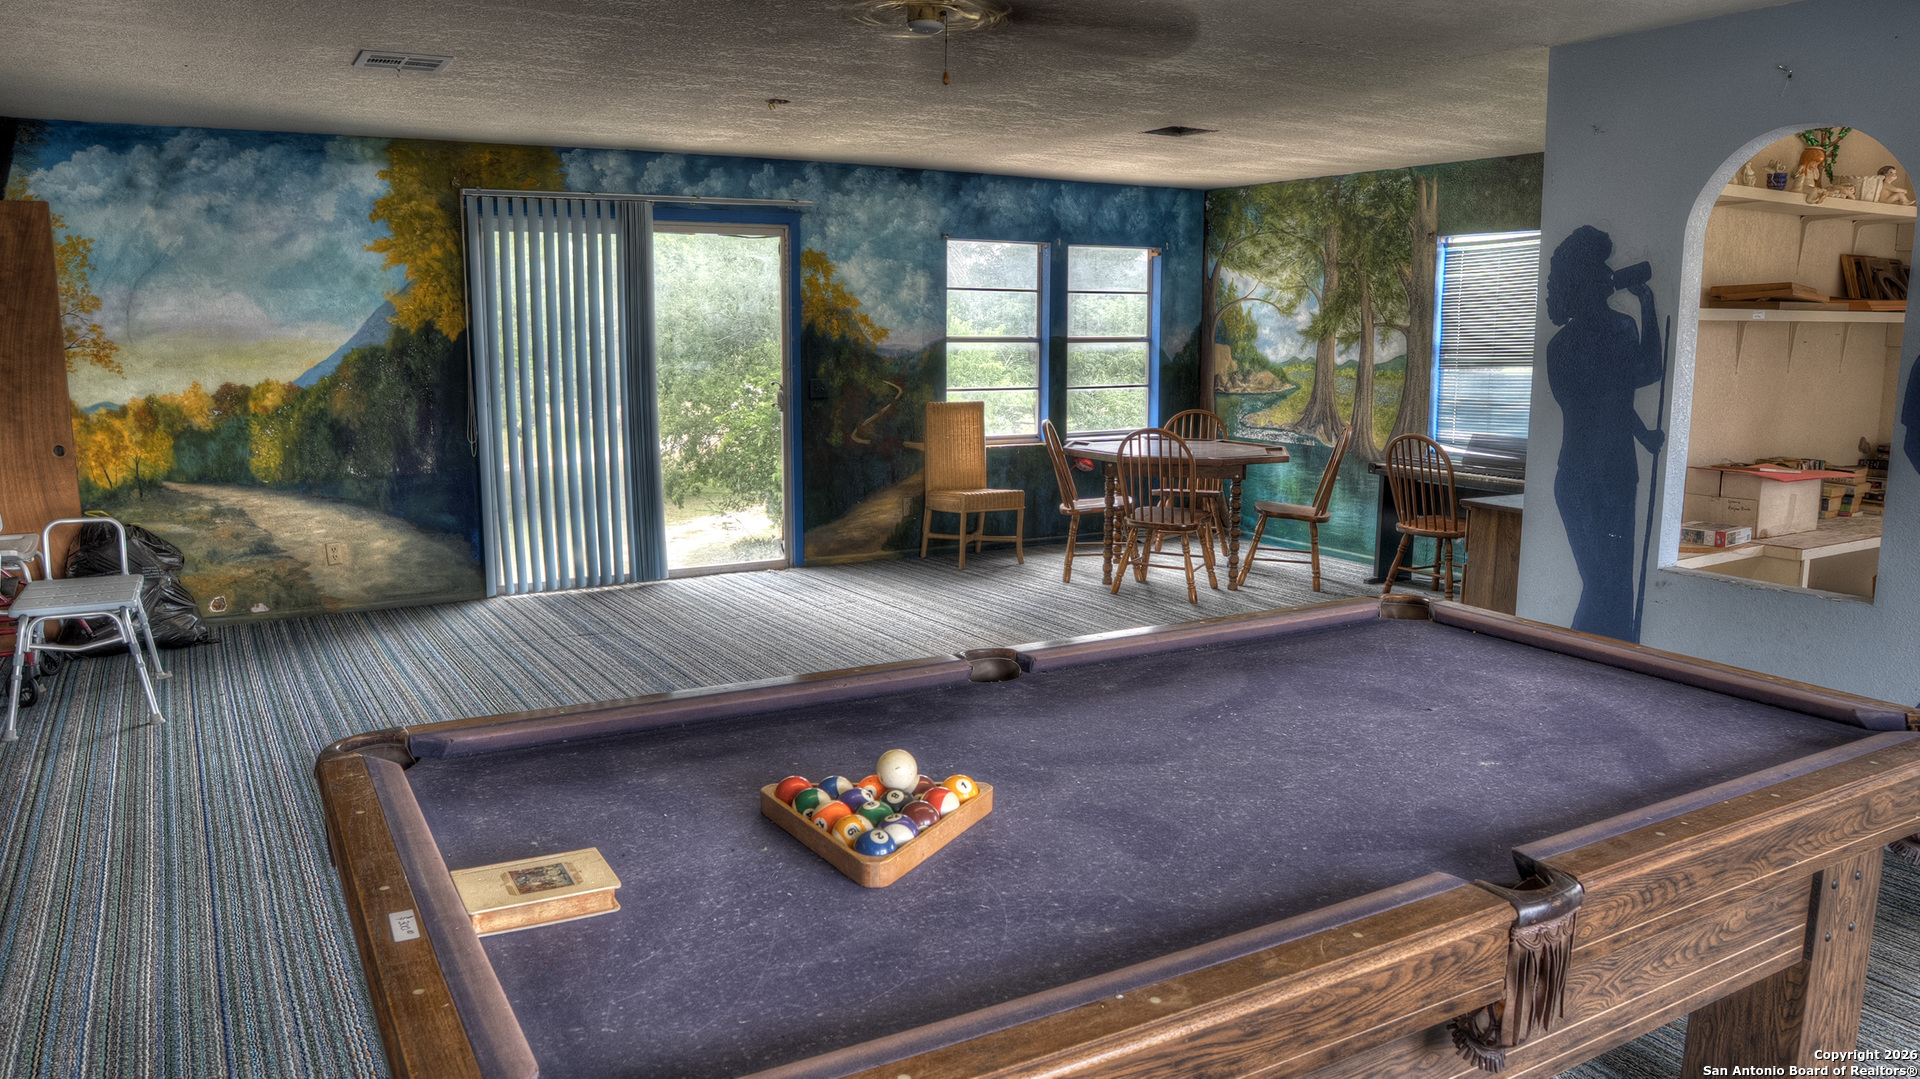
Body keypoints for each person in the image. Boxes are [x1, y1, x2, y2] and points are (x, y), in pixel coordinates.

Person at [1545, 226, 1664, 641]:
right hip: (1604, 476)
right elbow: (1646, 373)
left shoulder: (1561, 345)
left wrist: (1644, 434)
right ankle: (1583, 661)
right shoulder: (1618, 329)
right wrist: (1647, 305)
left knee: (1607, 585)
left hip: (1586, 475)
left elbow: (1606, 402)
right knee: (1606, 586)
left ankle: (1602, 664)